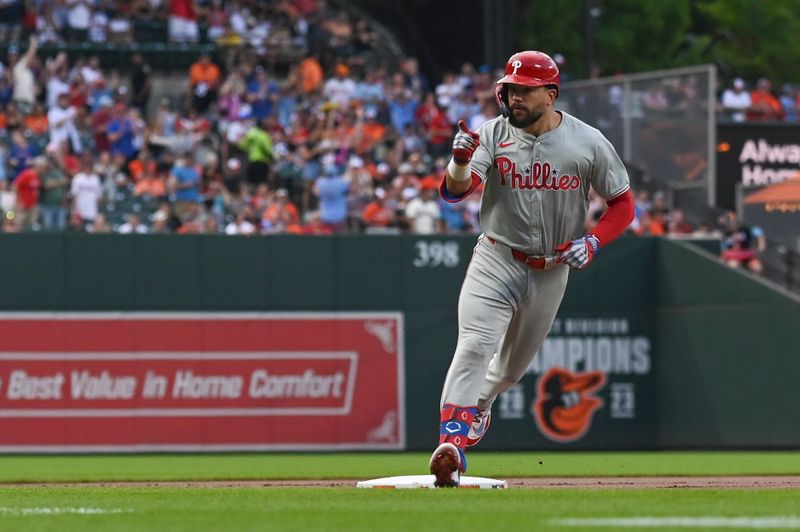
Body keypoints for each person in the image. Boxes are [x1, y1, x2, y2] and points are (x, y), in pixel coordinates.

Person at [428, 51, 635, 487]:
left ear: (550, 94)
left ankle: (478, 408)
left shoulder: (588, 141)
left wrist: (594, 240)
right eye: (511, 89)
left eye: (525, 90)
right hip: (496, 258)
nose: (514, 97)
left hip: (551, 268)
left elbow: (623, 204)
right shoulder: (492, 133)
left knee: (509, 371)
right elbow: (454, 193)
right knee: (475, 344)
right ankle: (452, 442)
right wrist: (460, 162)